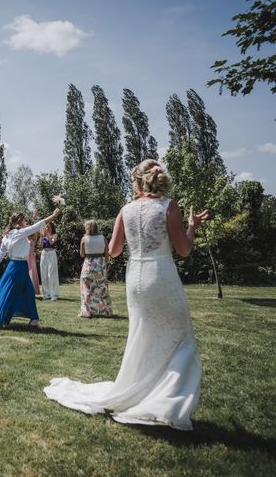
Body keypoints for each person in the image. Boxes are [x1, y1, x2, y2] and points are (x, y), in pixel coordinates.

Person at [44, 159, 209, 430]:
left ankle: (143, 391)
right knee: (179, 336)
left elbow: (115, 250)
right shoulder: (169, 206)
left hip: (136, 278)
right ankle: (166, 402)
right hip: (161, 273)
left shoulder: (126, 210)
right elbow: (183, 250)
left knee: (142, 336)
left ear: (138, 181)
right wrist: (191, 227)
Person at [0, 208, 61, 328]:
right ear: (18, 223)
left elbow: (1, 253)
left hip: (19, 266)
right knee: (11, 293)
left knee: (28, 292)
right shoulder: (19, 233)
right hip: (17, 267)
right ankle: (4, 319)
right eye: (24, 220)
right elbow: (38, 225)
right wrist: (53, 215)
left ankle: (33, 319)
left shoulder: (7, 236)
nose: (26, 221)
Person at [78, 220, 112, 317]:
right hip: (100, 265)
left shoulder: (84, 239)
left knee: (87, 289)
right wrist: (107, 263)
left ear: (87, 228)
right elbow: (106, 254)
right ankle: (104, 311)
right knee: (102, 288)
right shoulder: (103, 238)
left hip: (88, 264)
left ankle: (87, 311)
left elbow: (82, 254)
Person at [40, 222, 59, 301]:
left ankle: (54, 294)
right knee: (43, 274)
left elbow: (51, 242)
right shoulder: (44, 235)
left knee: (51, 274)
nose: (47, 228)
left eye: (49, 227)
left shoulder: (55, 235)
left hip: (51, 253)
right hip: (44, 253)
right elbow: (41, 245)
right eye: (46, 227)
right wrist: (42, 237)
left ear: (52, 228)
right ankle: (46, 294)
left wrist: (47, 234)